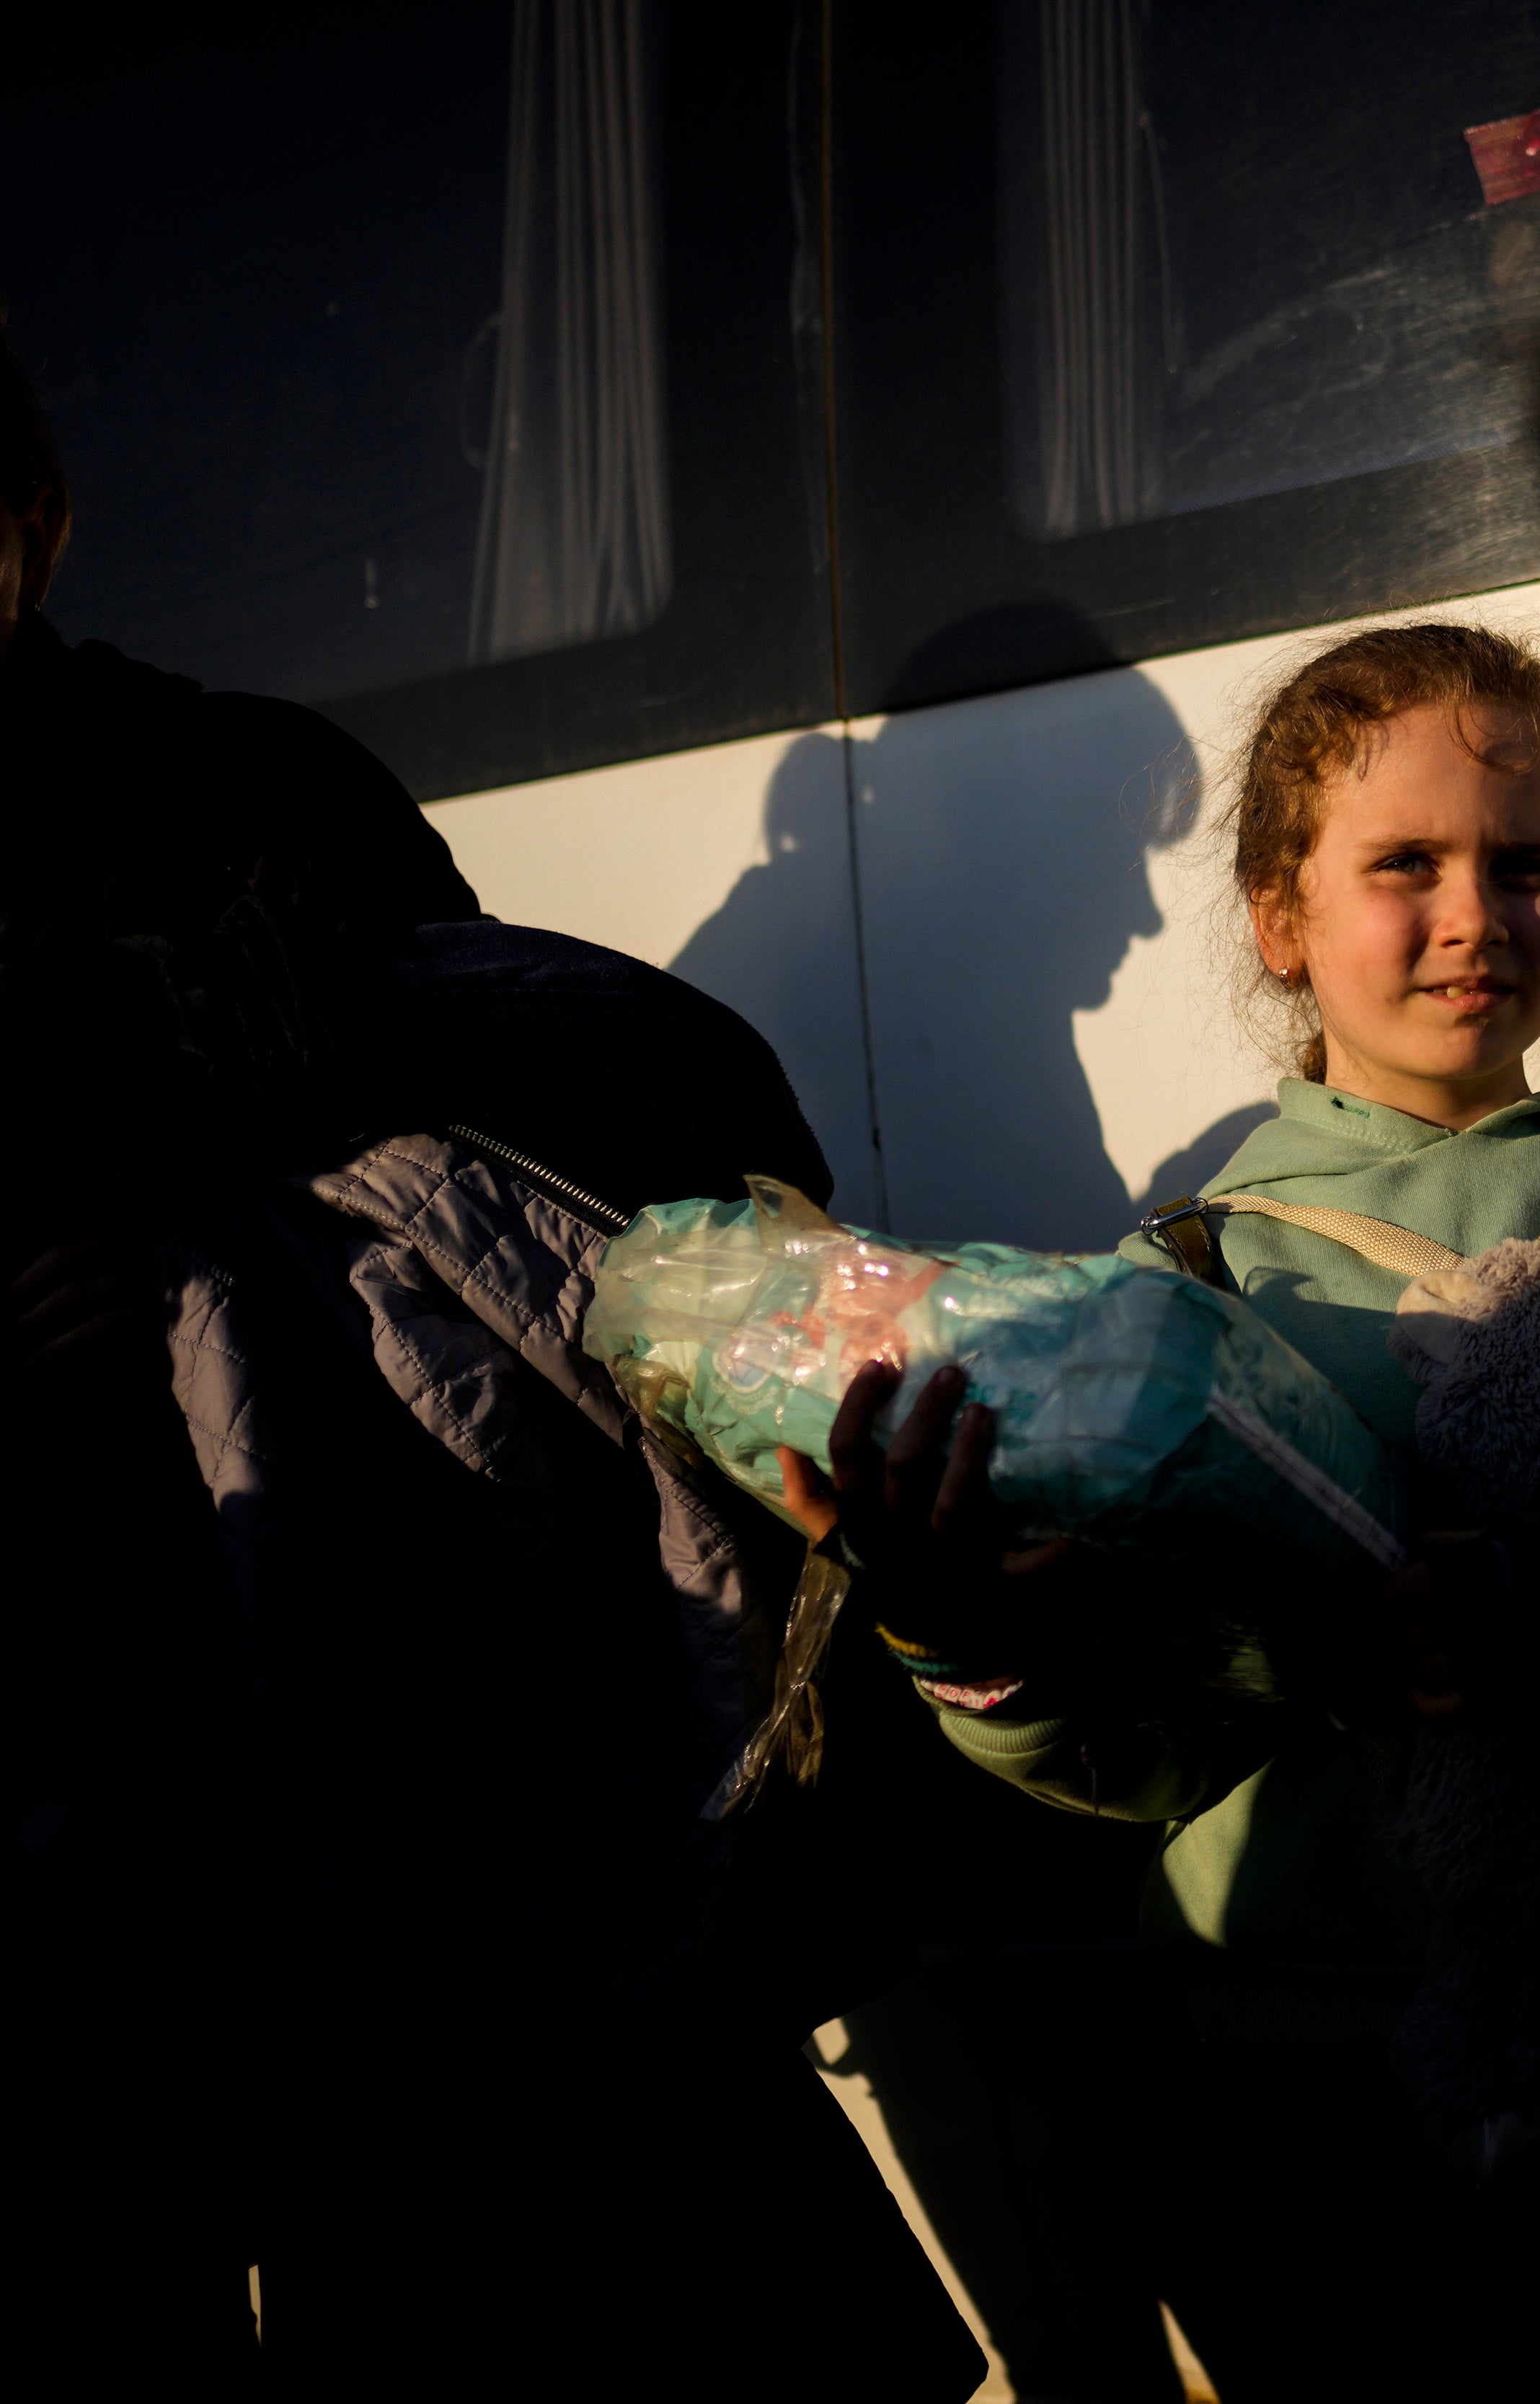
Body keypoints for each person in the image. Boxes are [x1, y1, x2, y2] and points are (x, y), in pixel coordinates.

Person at [800, 622, 1540, 2401]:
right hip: (1306, 2096)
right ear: (1279, 916)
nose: (1476, 911)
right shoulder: (1175, 1289)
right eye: (1402, 864)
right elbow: (1136, 1749)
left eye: (1528, 866)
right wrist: (960, 1629)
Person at [0, 309, 979, 2400]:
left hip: (414, 1649)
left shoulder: (243, 784)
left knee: (541, 2214)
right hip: (51, 1749)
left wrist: (191, 1202)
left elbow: (532, 1116)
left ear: (35, 526)